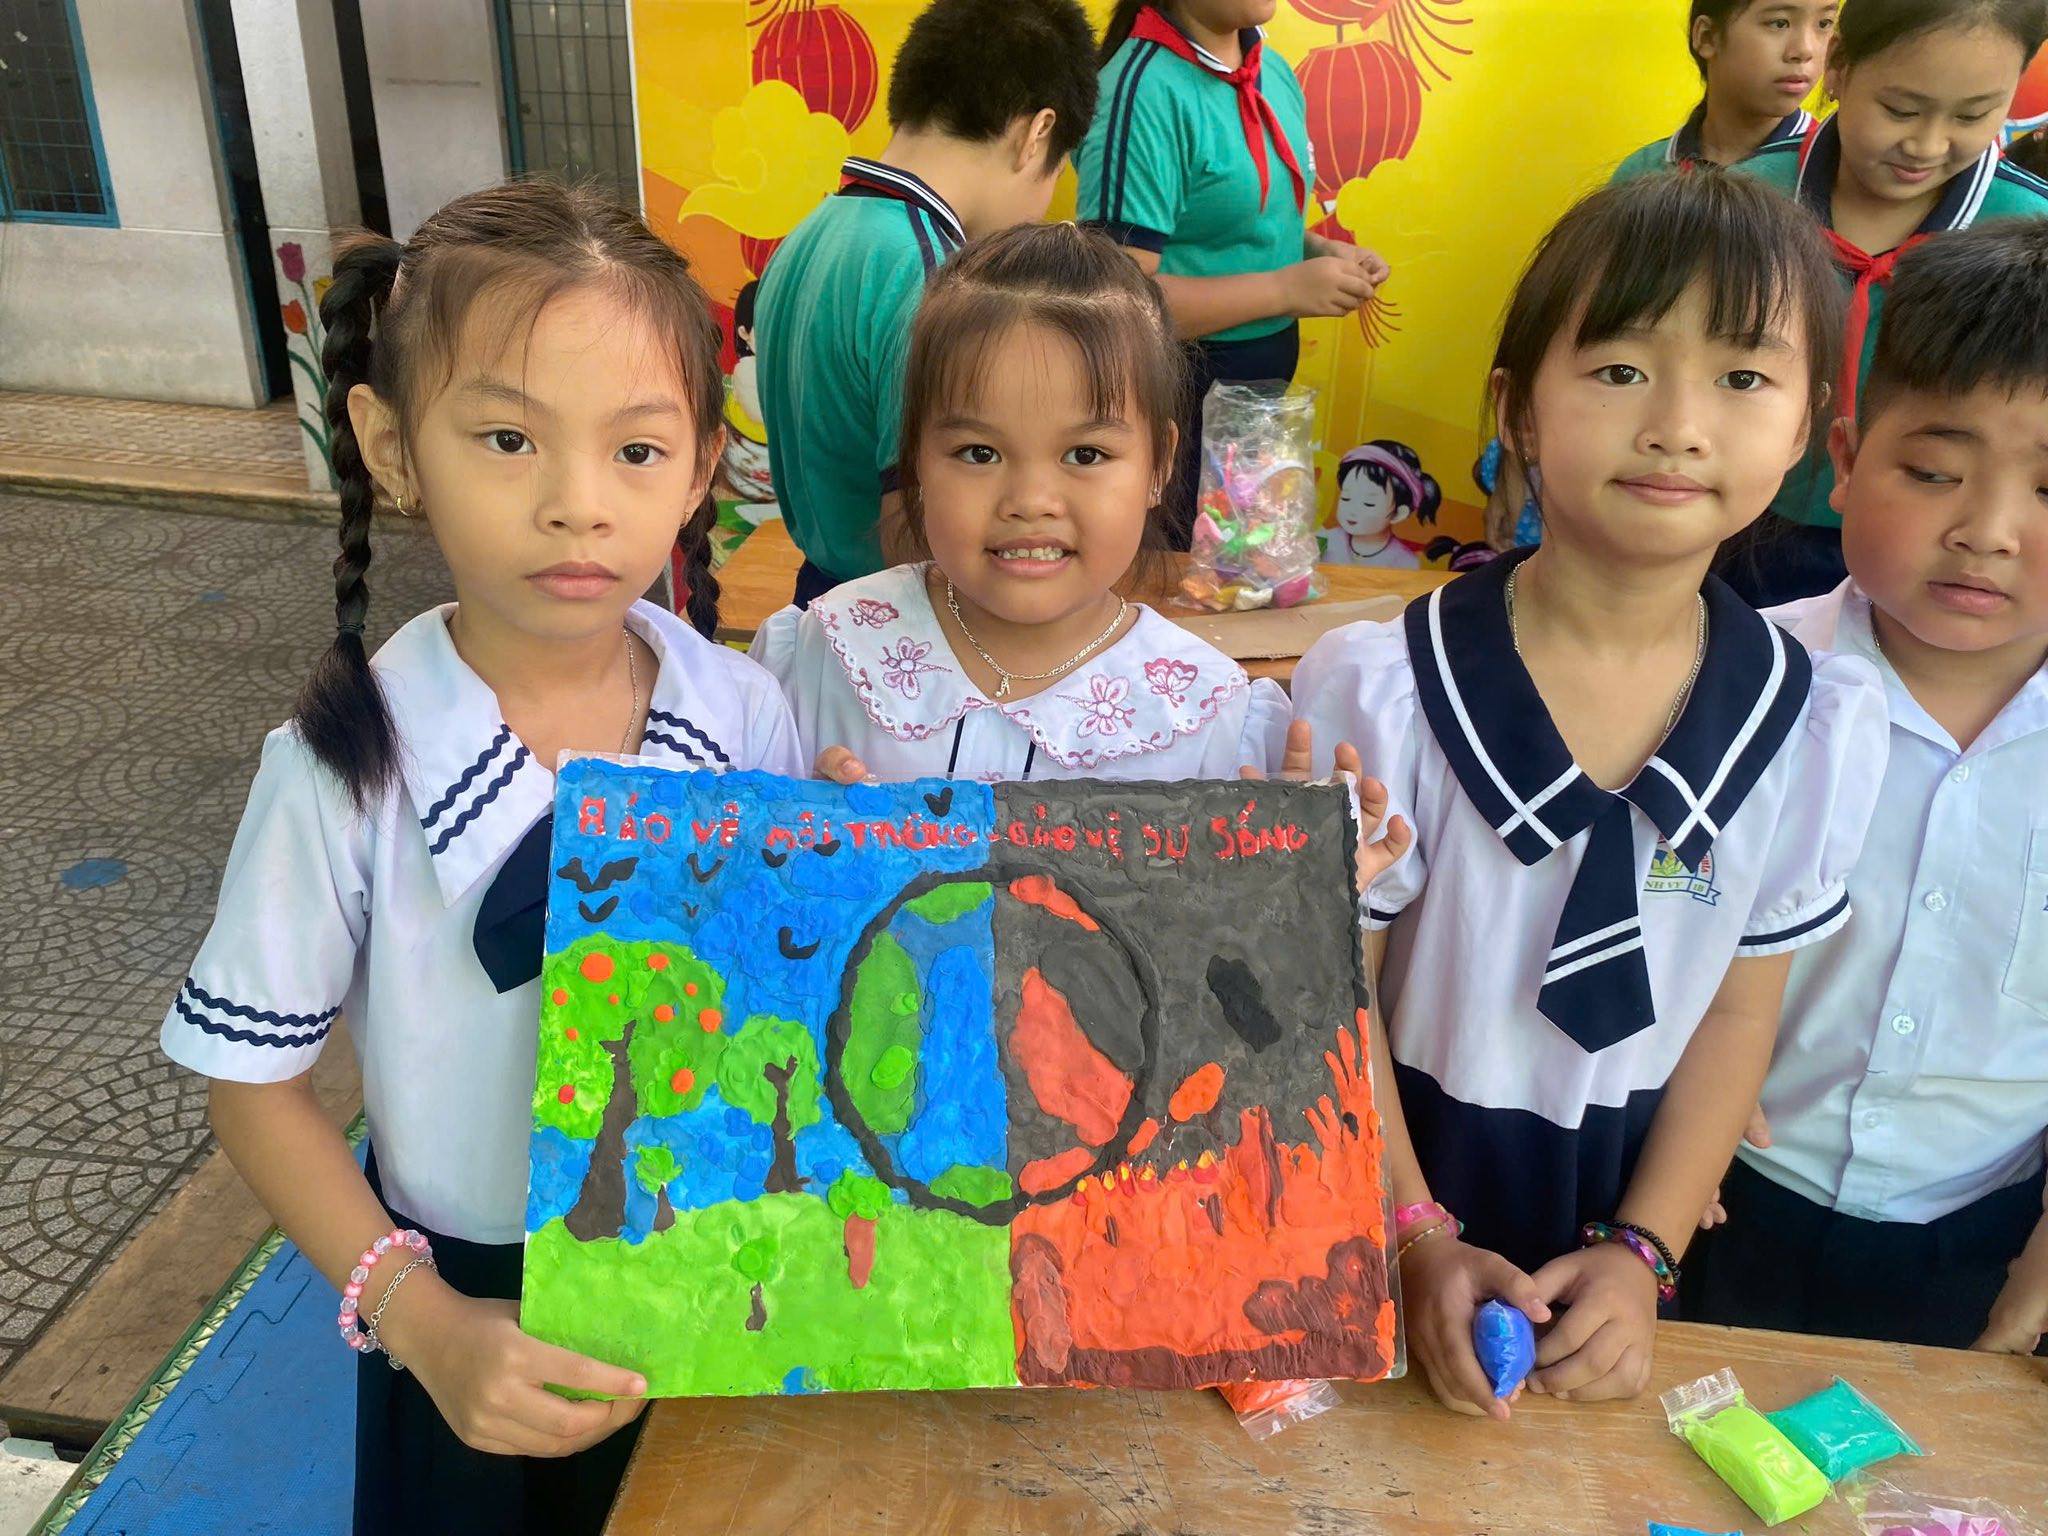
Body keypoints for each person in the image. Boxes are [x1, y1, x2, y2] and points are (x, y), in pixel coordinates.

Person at [158, 182, 803, 1536]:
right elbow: (252, 1087)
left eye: (637, 450)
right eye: (508, 438)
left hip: (710, 1274)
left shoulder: (745, 715)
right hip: (464, 1323)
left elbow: (778, 992)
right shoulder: (343, 763)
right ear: (391, 446)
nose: (577, 506)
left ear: (700, 470)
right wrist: (423, 1323)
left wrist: (856, 860)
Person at [1291, 172, 1888, 1418]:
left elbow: (1738, 1014)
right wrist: (1409, 1233)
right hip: (1384, 1184)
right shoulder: (1384, 689)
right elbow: (1325, 994)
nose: (1676, 424)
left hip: (1633, 1211)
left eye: (1741, 377)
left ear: (1805, 431)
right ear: (1516, 408)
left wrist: (1643, 1252)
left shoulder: (1810, 722)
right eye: (1619, 370)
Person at [1685, 222, 2048, 1355]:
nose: (1985, 533)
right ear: (1843, 460)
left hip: (1980, 1241)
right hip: (1714, 1195)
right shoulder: (1727, 682)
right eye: (1933, 474)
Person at [753, 221, 1292, 783]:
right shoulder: (824, 656)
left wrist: (1299, 833)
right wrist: (790, 817)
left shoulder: (1213, 722)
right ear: (914, 459)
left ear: (1158, 466)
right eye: (979, 453)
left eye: (1085, 454)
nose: (1030, 502)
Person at [755, 0, 1099, 607]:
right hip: (905, 622)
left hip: (821, 599)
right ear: (1037, 133)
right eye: (1058, 170)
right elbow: (916, 528)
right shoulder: (935, 275)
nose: (1046, 198)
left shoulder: (807, 236)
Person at [1727, 0, 2048, 605]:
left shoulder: (2032, 233)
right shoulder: (1743, 201)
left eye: (1973, 114)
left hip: (1942, 553)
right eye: (1900, 110)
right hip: (1738, 521)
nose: (1926, 144)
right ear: (1839, 66)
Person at [1079, 0, 1389, 546]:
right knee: (1173, 575)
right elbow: (1115, 303)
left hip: (1255, 397)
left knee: (1240, 568)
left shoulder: (1272, 69)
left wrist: (1316, 251)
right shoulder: (1142, 90)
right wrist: (1285, 289)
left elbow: (1236, 224)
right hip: (1174, 398)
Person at [1613, 1, 1832, 183]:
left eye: (1824, 23)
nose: (1805, 50)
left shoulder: (1830, 168)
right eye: (1779, 23)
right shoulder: (1641, 175)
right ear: (1707, 37)